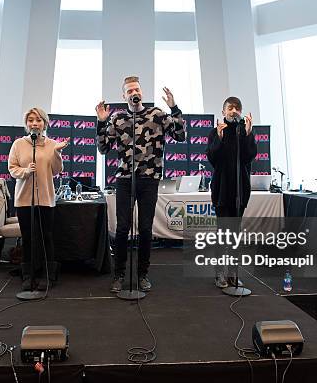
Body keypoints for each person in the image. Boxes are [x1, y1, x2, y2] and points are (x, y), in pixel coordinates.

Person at [96, 76, 186, 293]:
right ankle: (119, 274)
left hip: (150, 179)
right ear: (124, 96)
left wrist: (173, 107)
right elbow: (102, 148)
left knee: (146, 228)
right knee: (122, 228)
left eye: (136, 89)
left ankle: (143, 274)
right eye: (129, 90)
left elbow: (180, 135)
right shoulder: (117, 119)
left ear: (141, 92)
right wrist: (100, 122)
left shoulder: (156, 114)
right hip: (125, 179)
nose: (133, 92)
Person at [8, 107, 68, 291]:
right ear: (27, 124)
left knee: (46, 237)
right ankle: (28, 274)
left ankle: (48, 275)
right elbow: (12, 168)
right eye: (31, 120)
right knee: (27, 238)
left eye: (39, 120)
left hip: (46, 198)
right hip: (24, 200)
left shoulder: (52, 144)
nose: (35, 123)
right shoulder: (18, 144)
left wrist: (57, 152)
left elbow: (57, 170)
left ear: (45, 123)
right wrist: (26, 171)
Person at [206, 96, 256, 288]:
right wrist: (218, 139)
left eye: (237, 108)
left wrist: (248, 134)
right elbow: (213, 158)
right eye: (230, 108)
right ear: (223, 112)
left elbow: (249, 156)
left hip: (240, 188)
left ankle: (233, 273)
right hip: (221, 189)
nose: (234, 111)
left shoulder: (244, 131)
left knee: (235, 233)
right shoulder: (215, 132)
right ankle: (219, 273)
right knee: (222, 232)